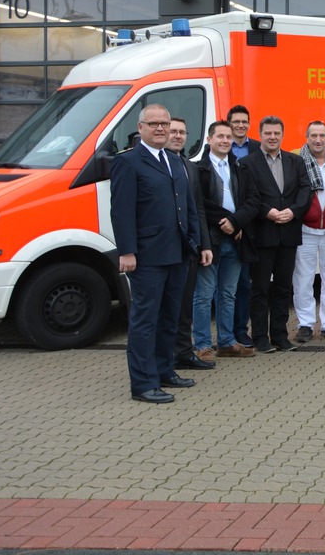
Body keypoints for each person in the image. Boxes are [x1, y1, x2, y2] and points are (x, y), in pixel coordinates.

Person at [110, 104, 203, 404]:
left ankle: (165, 371)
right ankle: (143, 383)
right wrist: (127, 251)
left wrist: (195, 243)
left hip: (177, 253)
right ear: (140, 128)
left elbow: (187, 207)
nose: (161, 129)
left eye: (164, 123)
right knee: (145, 320)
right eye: (154, 124)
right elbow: (121, 211)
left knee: (170, 318)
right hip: (147, 256)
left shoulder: (175, 160)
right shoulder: (129, 163)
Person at [239, 116, 311, 352]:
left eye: (276, 133)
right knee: (259, 289)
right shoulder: (248, 163)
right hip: (262, 234)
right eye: (268, 133)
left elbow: (305, 190)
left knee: (283, 288)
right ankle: (260, 338)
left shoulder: (295, 161)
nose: (272, 137)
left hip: (288, 233)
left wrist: (293, 211)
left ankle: (280, 336)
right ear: (260, 134)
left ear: (282, 134)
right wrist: (267, 212)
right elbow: (248, 196)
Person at [193, 120, 259, 360]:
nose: (224, 140)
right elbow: (199, 204)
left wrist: (237, 222)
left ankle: (226, 342)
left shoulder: (241, 168)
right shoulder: (197, 170)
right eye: (219, 136)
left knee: (228, 294)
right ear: (209, 139)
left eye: (228, 137)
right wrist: (228, 220)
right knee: (204, 295)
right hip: (210, 241)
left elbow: (253, 200)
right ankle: (201, 345)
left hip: (236, 240)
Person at [165, 118, 214, 372]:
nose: (177, 136)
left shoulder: (189, 166)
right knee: (168, 307)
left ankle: (184, 352)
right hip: (165, 249)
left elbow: (198, 210)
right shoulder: (158, 165)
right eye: (173, 131)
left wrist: (204, 244)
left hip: (190, 248)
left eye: (182, 132)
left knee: (185, 305)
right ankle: (167, 357)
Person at [292, 120, 325, 344]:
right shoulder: (297, 163)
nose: (317, 139)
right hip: (306, 229)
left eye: (321, 135)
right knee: (303, 279)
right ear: (306, 137)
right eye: (313, 135)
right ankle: (305, 323)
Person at [226, 104, 260, 350]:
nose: (240, 125)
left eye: (244, 121)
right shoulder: (218, 149)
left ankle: (241, 330)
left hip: (250, 226)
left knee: (245, 283)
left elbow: (256, 193)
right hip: (223, 227)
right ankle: (225, 335)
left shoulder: (257, 148)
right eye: (235, 121)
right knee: (222, 287)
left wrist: (241, 221)